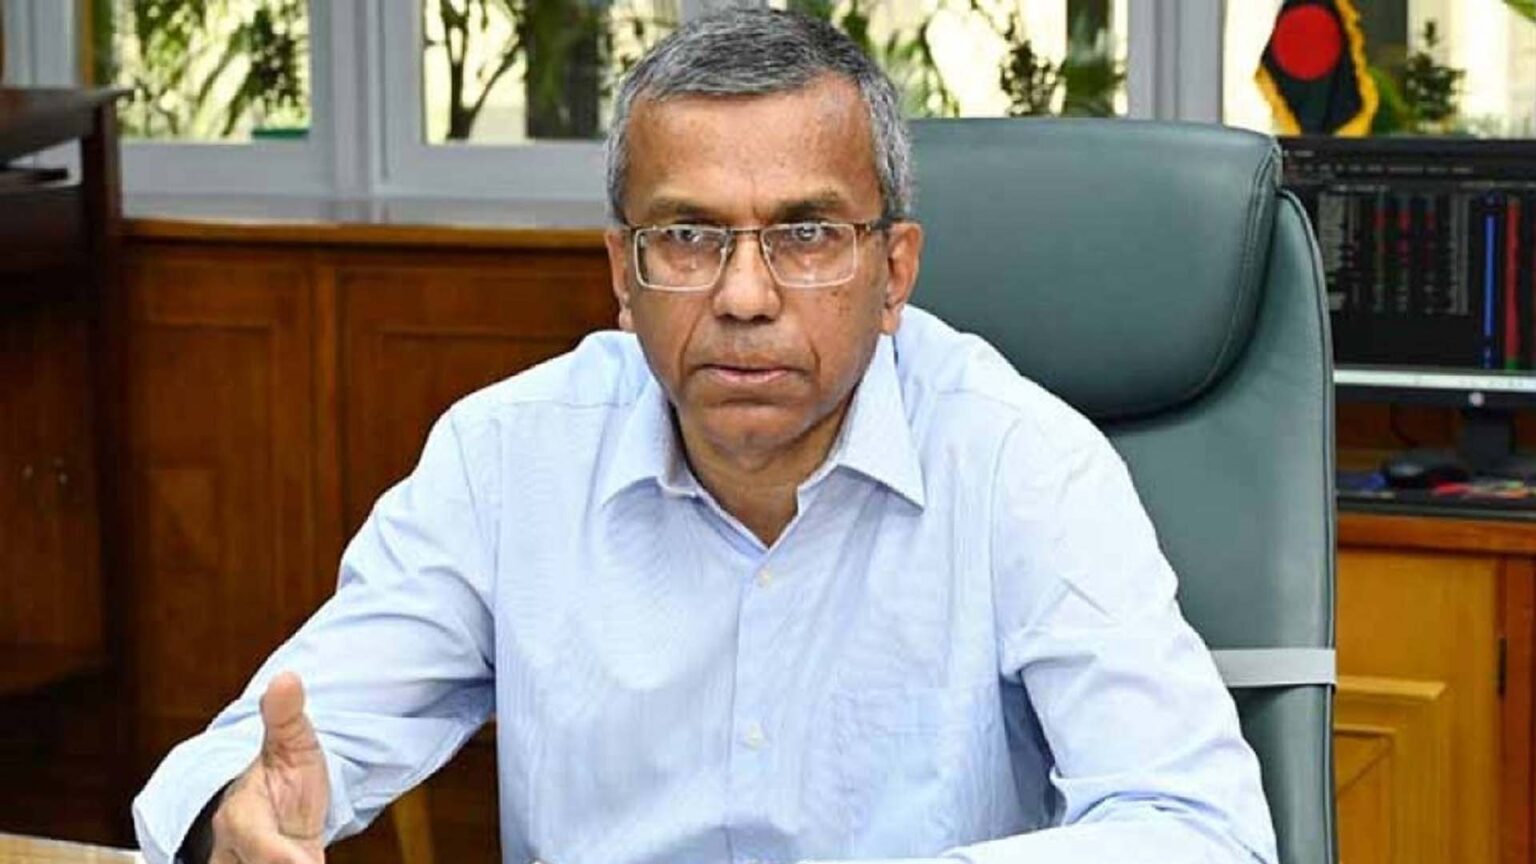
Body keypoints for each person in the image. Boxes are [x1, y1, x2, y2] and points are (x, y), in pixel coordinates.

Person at [133, 8, 1278, 864]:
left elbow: (1198, 829)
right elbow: (271, 753)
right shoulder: (507, 459)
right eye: (687, 237)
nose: (743, 296)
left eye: (806, 236)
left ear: (895, 271)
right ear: (621, 274)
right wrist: (239, 813)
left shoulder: (1025, 465)